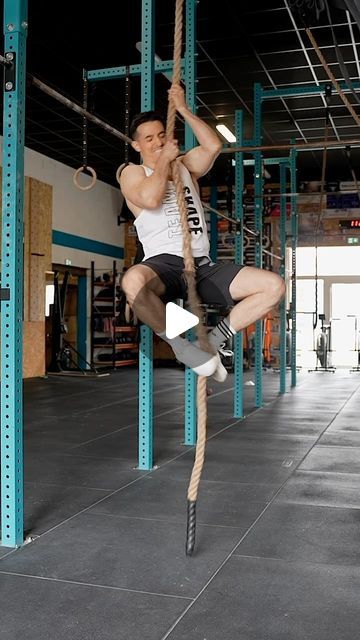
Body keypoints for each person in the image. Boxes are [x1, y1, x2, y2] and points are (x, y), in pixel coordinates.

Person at [120, 84, 285, 381]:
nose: (157, 142)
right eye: (149, 139)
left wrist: (182, 109)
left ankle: (214, 339)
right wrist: (164, 162)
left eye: (161, 135)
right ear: (137, 146)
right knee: (132, 282)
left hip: (202, 266)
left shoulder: (185, 166)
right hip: (164, 265)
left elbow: (213, 146)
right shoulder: (132, 172)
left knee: (274, 286)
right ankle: (183, 349)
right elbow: (151, 199)